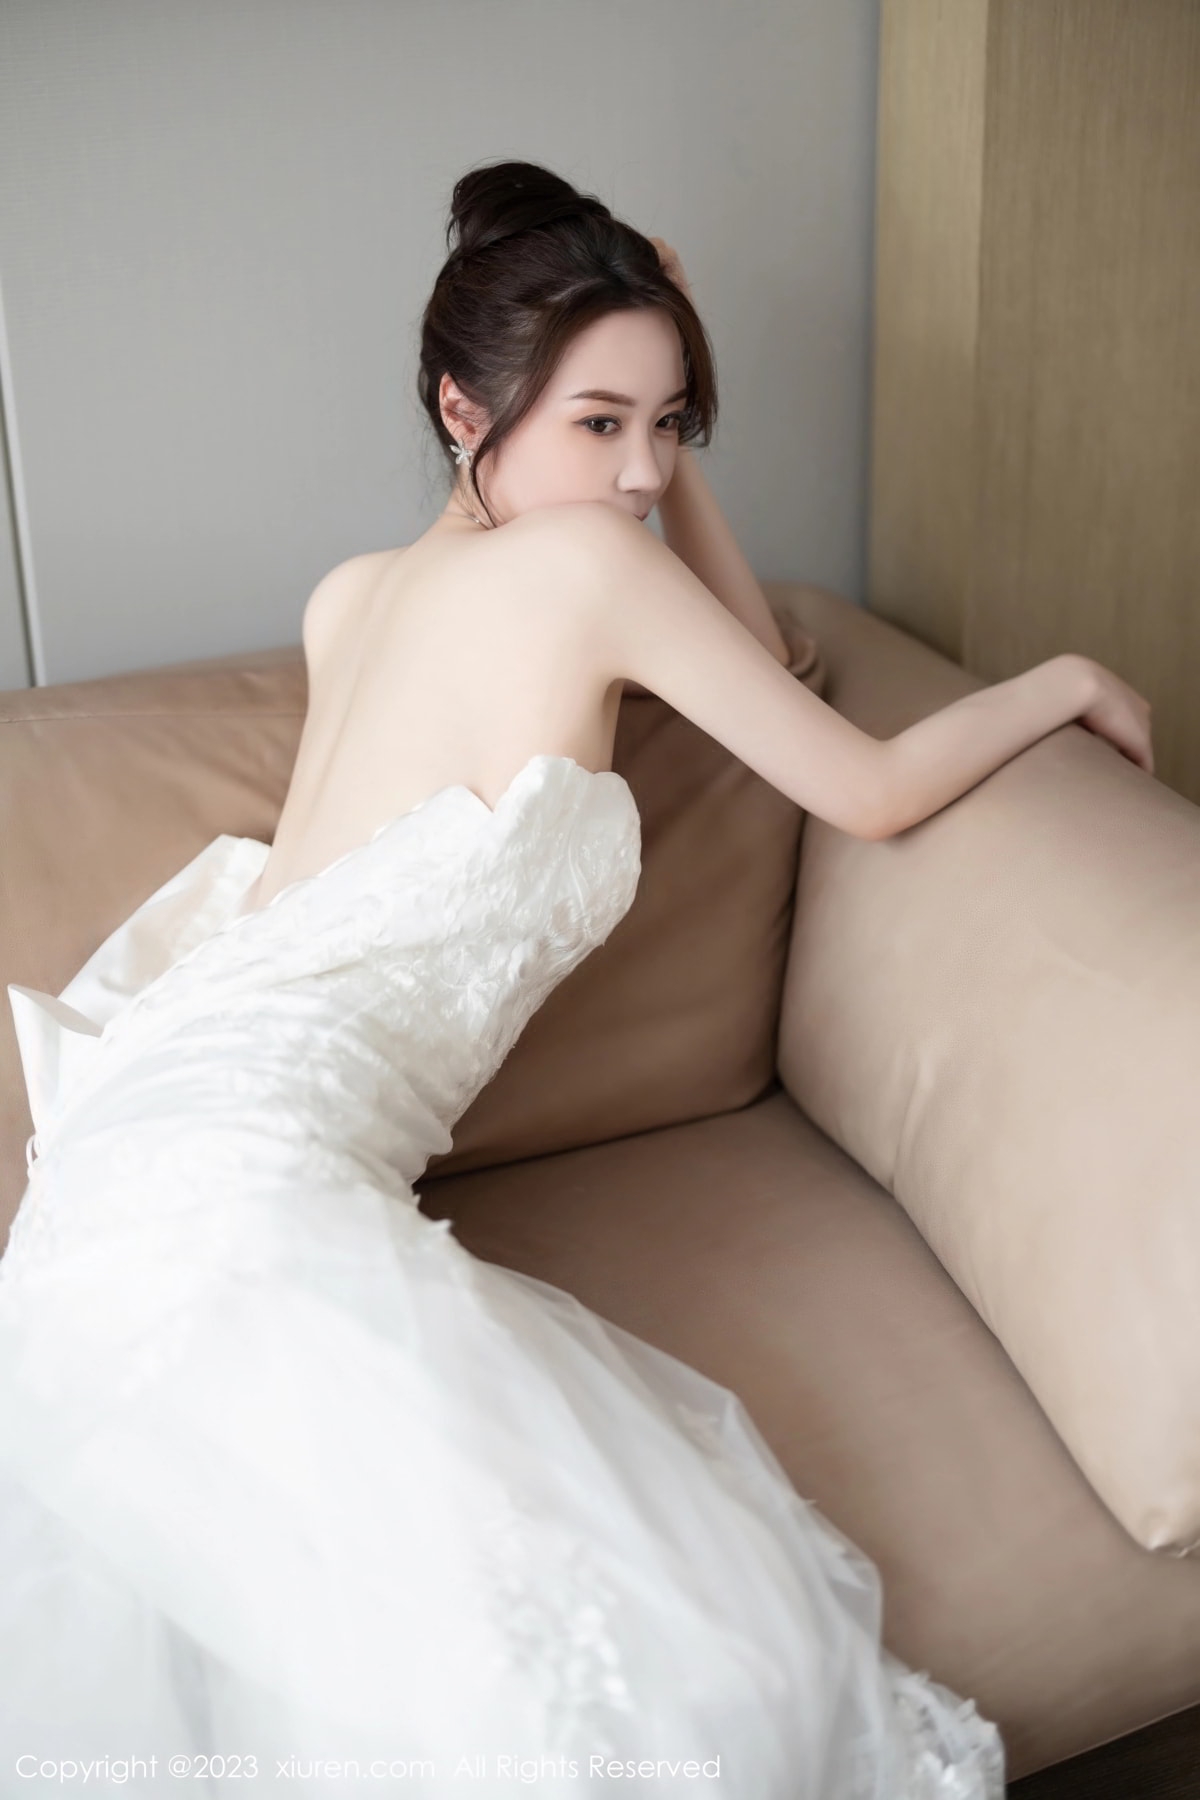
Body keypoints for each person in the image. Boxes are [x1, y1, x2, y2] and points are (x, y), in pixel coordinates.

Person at [0, 158, 1152, 1799]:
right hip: (241, 1177)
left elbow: (764, 662)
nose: (643, 472)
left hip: (125, 1155)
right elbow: (867, 779)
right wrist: (1063, 676)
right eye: (599, 423)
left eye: (674, 426)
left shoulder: (353, 599)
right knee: (647, 1698)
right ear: (462, 409)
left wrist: (643, 425)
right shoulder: (589, 576)